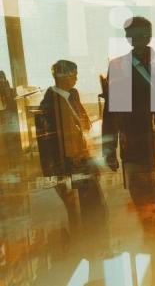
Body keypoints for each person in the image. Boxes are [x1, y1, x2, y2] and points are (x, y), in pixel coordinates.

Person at [102, 16, 155, 285]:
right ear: (128, 37)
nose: (140, 39)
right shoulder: (118, 66)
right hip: (134, 141)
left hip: (153, 141)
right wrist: (109, 147)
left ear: (151, 34)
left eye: (144, 34)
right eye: (135, 35)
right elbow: (112, 111)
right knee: (143, 196)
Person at [36, 60, 107, 250]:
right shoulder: (49, 105)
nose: (76, 77)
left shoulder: (71, 96)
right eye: (73, 74)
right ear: (62, 77)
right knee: (81, 206)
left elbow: (84, 124)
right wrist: (54, 170)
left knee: (92, 202)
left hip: (80, 158)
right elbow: (47, 141)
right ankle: (85, 244)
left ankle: (94, 241)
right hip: (68, 162)